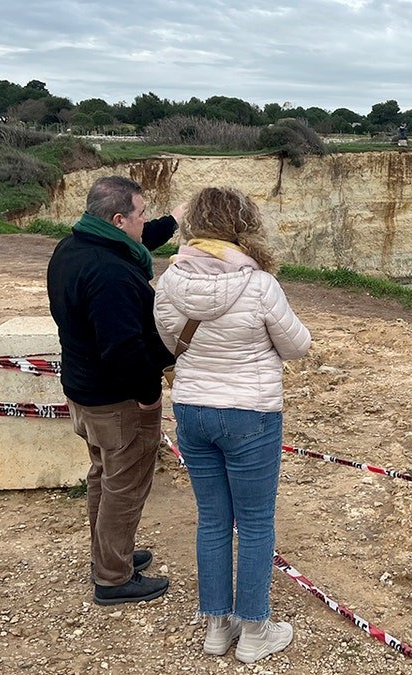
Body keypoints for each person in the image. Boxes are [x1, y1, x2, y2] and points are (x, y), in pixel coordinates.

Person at [154, 187, 310, 663]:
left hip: (193, 410)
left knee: (213, 519)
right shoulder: (260, 285)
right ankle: (256, 630)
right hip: (250, 412)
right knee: (257, 523)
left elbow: (169, 340)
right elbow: (297, 345)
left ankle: (217, 627)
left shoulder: (169, 281)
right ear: (242, 224)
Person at [47, 175, 183, 606]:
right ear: (119, 218)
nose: (146, 221)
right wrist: (149, 395)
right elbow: (123, 351)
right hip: (117, 401)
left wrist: (175, 219)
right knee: (124, 488)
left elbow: (145, 240)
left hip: (84, 392)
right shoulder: (112, 274)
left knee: (103, 478)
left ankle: (109, 554)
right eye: (142, 214)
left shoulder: (75, 248)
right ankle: (112, 577)